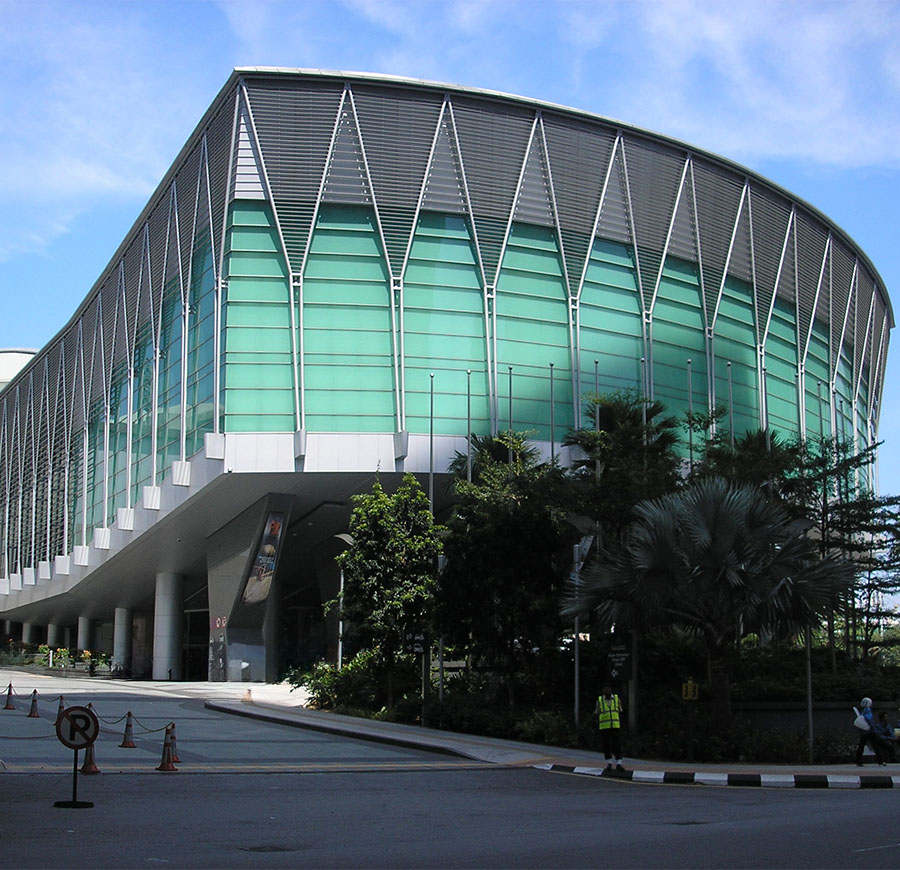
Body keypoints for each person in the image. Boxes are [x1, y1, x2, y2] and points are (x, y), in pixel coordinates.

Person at [595, 685, 625, 772]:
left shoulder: (616, 699)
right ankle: (609, 763)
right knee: (606, 745)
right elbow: (597, 711)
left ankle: (619, 763)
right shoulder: (600, 700)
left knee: (617, 744)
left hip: (615, 726)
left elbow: (620, 709)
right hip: (604, 727)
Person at [855, 696, 887, 767]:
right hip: (870, 731)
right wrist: (873, 726)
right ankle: (880, 761)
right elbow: (869, 719)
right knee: (876, 745)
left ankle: (858, 761)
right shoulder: (868, 710)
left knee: (861, 746)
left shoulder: (861, 711)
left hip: (863, 731)